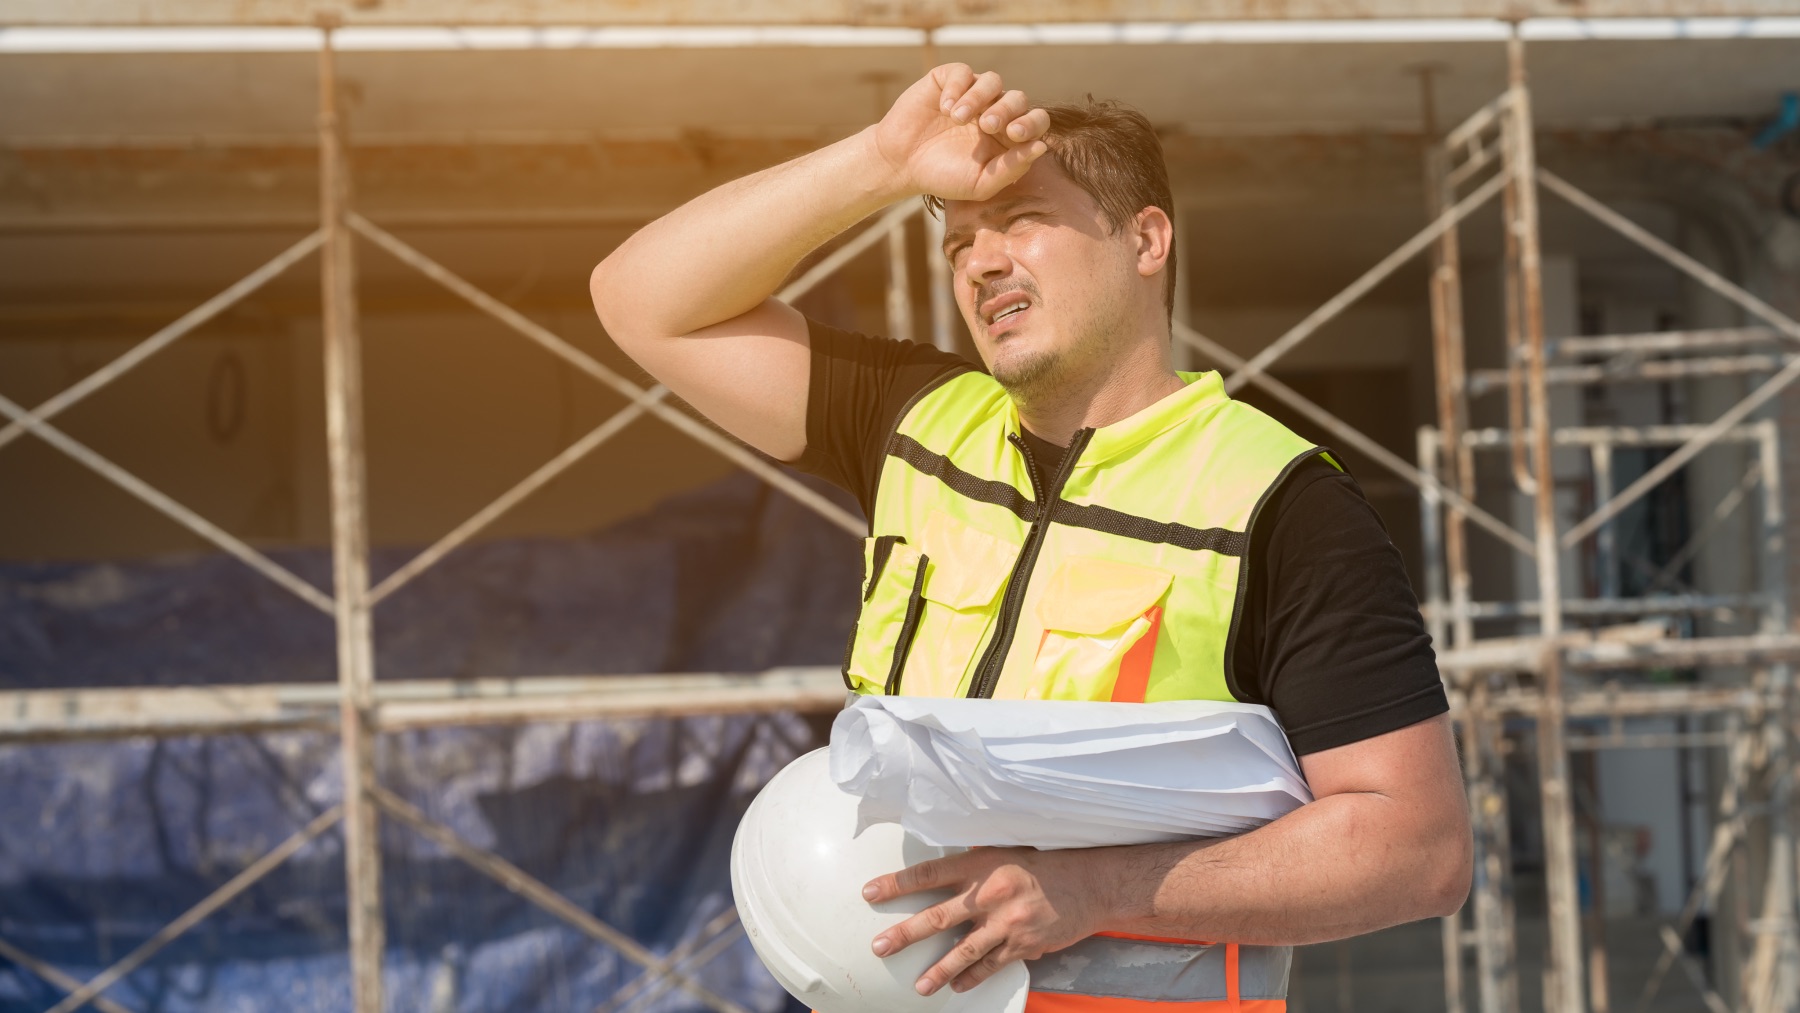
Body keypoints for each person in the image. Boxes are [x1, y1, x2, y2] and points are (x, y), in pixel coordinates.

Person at [591, 64, 1471, 1012]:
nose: (980, 261)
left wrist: (1097, 891)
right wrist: (883, 161)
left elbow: (1417, 847)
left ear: (1146, 240)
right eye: (959, 241)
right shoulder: (912, 420)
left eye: (1022, 220)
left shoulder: (1278, 502)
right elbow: (642, 300)